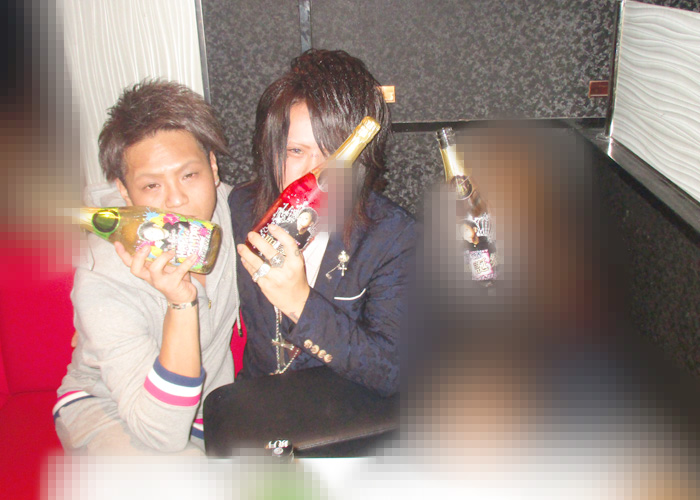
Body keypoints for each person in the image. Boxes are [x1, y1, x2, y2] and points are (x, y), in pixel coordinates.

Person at [55, 80, 238, 454]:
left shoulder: (236, 211)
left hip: (209, 409)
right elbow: (161, 433)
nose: (177, 200)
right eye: (152, 186)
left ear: (213, 168)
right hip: (109, 408)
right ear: (125, 193)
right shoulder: (102, 276)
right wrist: (180, 303)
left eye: (189, 175)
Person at [231, 49, 416, 397]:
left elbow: (395, 372)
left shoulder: (394, 237)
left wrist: (300, 303)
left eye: (335, 154)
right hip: (257, 407)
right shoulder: (242, 207)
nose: (316, 174)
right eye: (296, 151)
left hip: (341, 413)